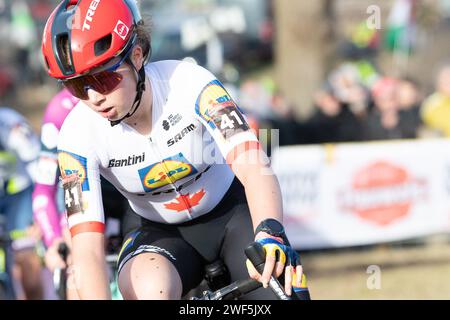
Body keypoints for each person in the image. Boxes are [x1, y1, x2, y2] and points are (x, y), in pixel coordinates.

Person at [41, 0, 310, 300]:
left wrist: (270, 231)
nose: (93, 97)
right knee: (149, 290)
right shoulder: (76, 134)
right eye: (78, 86)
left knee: (284, 291)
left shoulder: (190, 83)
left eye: (103, 78)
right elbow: (87, 248)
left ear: (136, 56)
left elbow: (254, 166)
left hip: (233, 214)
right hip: (158, 234)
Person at [32, 88, 131, 299]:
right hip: (81, 186)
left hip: (128, 193)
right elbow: (43, 191)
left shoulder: (128, 90)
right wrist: (53, 241)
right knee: (76, 260)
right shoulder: (60, 110)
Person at [0, 107, 44, 300]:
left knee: (27, 264)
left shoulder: (10, 123)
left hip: (20, 195)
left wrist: (40, 213)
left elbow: (39, 168)